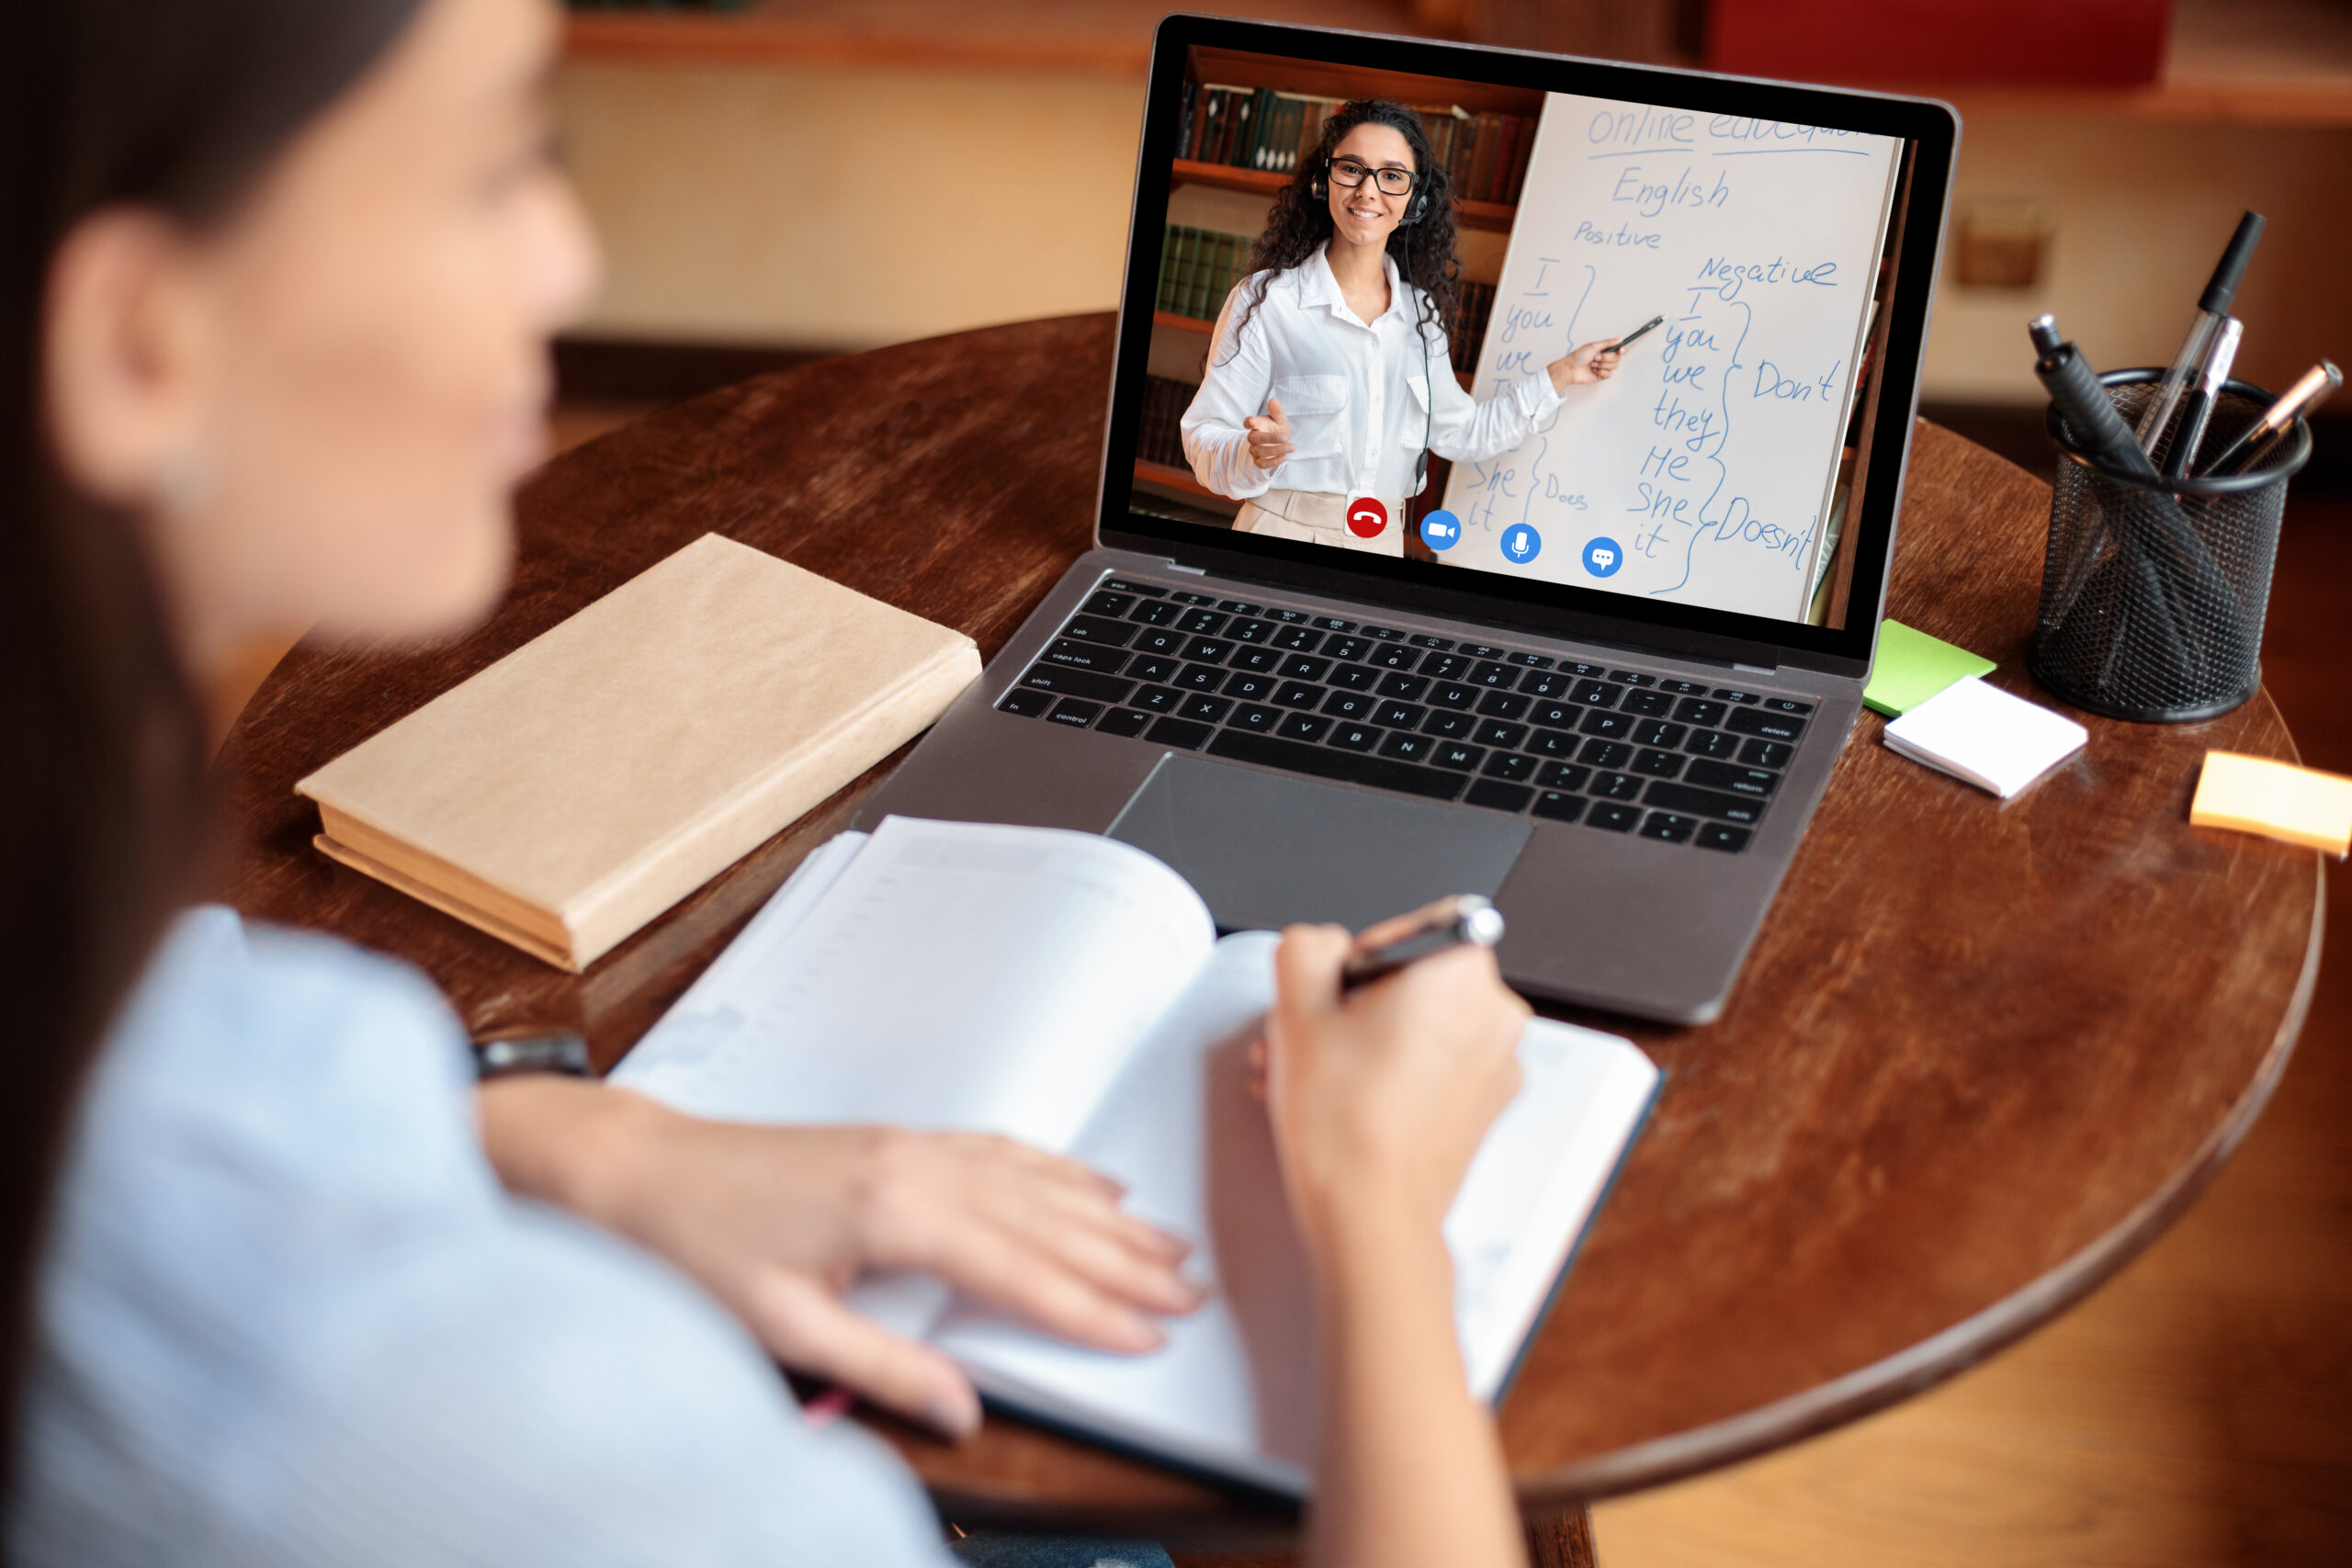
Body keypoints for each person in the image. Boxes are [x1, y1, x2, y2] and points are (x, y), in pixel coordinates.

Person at [1, 3, 1539, 1565]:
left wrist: (574, 1138)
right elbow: (1215, 446)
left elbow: (213, 1049)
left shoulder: (123, 999)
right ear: (135, 343)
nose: (566, 262)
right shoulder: (486, 1445)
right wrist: (1382, 1212)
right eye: (487, 170)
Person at [1182, 99, 1632, 558]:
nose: (1368, 191)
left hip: (1383, 546)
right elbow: (1204, 437)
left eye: (1392, 176)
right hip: (1281, 537)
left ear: (1415, 200)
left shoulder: (1421, 319)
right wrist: (1252, 452)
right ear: (1324, 182)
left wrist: (1563, 374)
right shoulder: (1268, 301)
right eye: (1352, 169)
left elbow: (1464, 434)